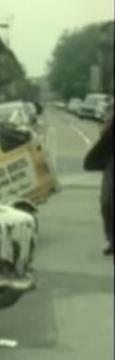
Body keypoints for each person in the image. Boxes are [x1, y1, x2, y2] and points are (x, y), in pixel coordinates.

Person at [83, 102, 113, 255]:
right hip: (111, 160)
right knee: (107, 201)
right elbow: (104, 133)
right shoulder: (112, 108)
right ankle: (110, 239)